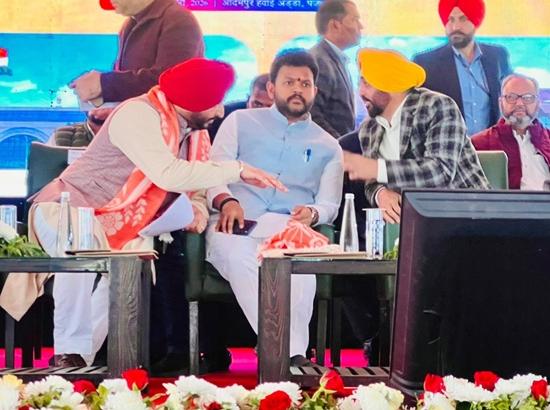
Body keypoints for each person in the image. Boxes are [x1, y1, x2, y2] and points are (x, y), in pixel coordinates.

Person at [0, 58, 285, 367]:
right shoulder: (138, 114)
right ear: (194, 100)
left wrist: (200, 208)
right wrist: (238, 169)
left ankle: (79, 359)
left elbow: (197, 183)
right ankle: (69, 350)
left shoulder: (192, 131)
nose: (219, 111)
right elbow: (168, 174)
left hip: (121, 224)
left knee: (132, 262)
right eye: (214, 102)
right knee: (79, 243)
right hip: (66, 208)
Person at [206, 50, 344, 365]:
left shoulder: (328, 145)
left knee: (301, 271)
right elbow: (213, 173)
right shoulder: (239, 122)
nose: (297, 90)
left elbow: (329, 204)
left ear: (315, 91)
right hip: (235, 224)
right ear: (271, 88)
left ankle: (286, 354)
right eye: (289, 82)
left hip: (286, 230)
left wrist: (313, 214)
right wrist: (227, 200)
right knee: (241, 259)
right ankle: (288, 354)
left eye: (305, 84)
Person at [343, 48, 489, 224]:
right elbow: (372, 181)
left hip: (467, 217)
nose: (360, 92)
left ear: (390, 85)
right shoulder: (369, 129)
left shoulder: (437, 106)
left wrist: (377, 168)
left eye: (367, 84)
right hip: (413, 225)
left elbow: (440, 173)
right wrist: (380, 193)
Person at [55, 0, 204, 146]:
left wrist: (104, 85)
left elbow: (171, 82)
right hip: (136, 133)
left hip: (162, 140)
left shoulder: (179, 21)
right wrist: (110, 106)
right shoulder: (131, 23)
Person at [413, 0, 512, 136]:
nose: (455, 26)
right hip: (448, 145)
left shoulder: (497, 56)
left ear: (475, 21)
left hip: (491, 145)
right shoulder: (426, 63)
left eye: (463, 19)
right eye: (450, 20)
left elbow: (510, 98)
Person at [471, 73, 550, 190]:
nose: (519, 104)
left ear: (538, 104)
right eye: (511, 97)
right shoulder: (478, 144)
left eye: (527, 98)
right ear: (500, 103)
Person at [309, 0, 363, 138]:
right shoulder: (319, 61)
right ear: (335, 25)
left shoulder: (333, 58)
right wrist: (340, 146)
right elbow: (312, 116)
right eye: (355, 20)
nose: (361, 26)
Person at [208, 73, 273, 140]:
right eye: (257, 105)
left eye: (270, 107)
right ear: (248, 100)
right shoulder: (223, 117)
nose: (262, 111)